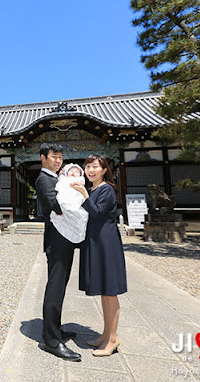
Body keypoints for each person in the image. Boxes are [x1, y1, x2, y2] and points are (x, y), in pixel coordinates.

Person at [71, 154, 127, 357]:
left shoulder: (107, 190)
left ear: (104, 170)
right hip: (96, 241)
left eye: (95, 166)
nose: (90, 170)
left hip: (107, 243)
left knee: (110, 291)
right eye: (88, 166)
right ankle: (105, 334)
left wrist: (85, 196)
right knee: (104, 291)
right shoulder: (95, 189)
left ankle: (113, 339)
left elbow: (97, 213)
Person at [35, 143, 82, 362]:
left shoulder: (56, 178)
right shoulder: (44, 180)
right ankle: (51, 341)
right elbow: (57, 205)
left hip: (65, 238)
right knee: (55, 287)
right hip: (56, 239)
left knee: (61, 286)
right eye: (54, 156)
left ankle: (55, 329)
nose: (58, 160)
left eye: (61, 157)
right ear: (43, 157)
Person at [50, 163, 89, 244]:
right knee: (65, 207)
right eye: (71, 171)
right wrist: (61, 175)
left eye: (76, 171)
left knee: (77, 213)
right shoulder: (63, 179)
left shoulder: (80, 180)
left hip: (75, 200)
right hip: (64, 198)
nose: (73, 172)